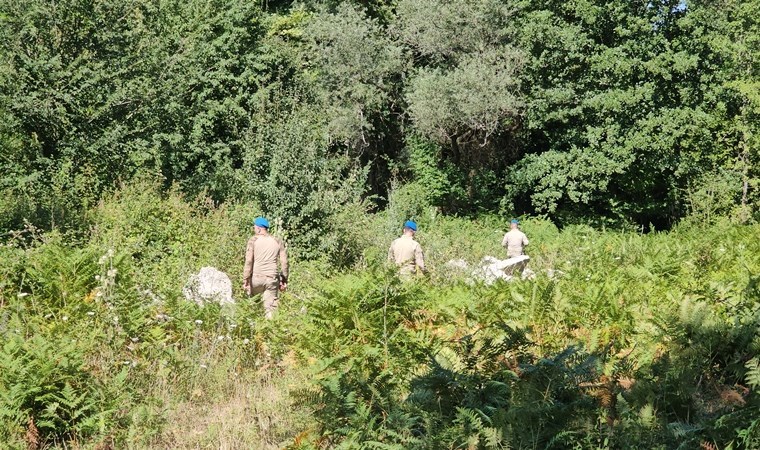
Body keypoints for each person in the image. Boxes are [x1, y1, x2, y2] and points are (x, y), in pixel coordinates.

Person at [243, 217, 288, 319]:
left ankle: (255, 329)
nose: (254, 229)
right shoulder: (277, 241)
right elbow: (284, 262)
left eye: (254, 227)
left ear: (259, 229)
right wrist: (284, 279)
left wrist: (246, 279)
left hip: (257, 278)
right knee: (270, 308)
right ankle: (270, 330)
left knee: (255, 304)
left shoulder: (253, 240)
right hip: (272, 278)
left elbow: (249, 261)